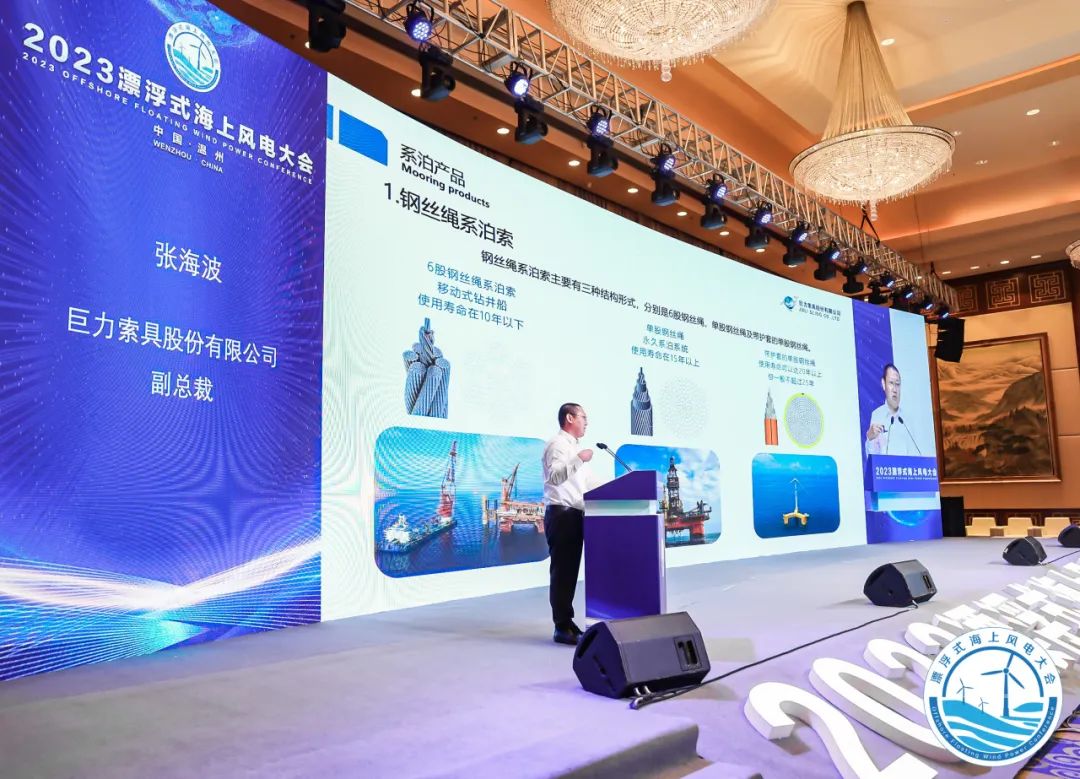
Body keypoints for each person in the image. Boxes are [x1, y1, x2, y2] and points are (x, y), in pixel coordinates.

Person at [542, 403, 595, 646]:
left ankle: (568, 623)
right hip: (561, 514)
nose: (587, 422)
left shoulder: (574, 449)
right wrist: (579, 459)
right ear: (570, 418)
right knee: (563, 572)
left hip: (575, 515)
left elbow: (588, 485)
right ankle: (561, 626)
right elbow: (554, 476)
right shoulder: (558, 445)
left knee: (570, 571)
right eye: (583, 417)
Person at [865, 363, 922, 456]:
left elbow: (915, 455)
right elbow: (872, 456)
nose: (895, 390)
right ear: (883, 384)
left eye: (897, 384)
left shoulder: (907, 419)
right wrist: (870, 438)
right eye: (891, 383)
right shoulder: (877, 415)